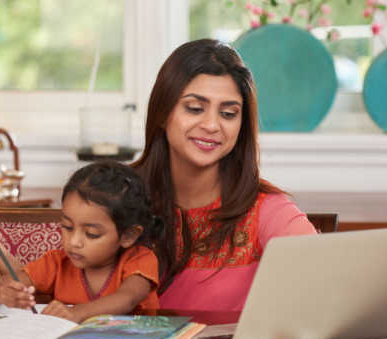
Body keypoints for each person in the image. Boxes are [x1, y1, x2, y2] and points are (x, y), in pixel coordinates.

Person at [132, 38, 317, 311]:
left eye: (229, 114)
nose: (211, 125)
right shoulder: (117, 197)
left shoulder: (267, 209)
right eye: (194, 108)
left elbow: (324, 284)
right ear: (162, 113)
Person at [0, 161, 163, 322]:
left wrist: (76, 313)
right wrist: (4, 292)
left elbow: (126, 299)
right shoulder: (57, 263)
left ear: (128, 236)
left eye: (91, 234)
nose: (74, 242)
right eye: (67, 227)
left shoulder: (140, 259)